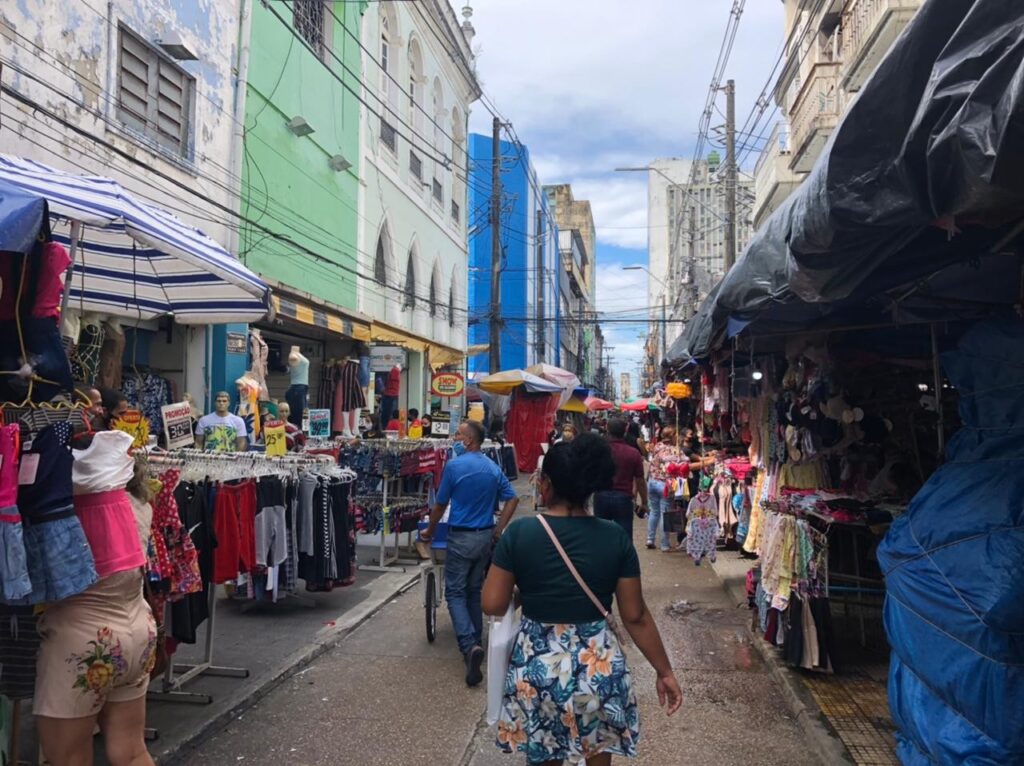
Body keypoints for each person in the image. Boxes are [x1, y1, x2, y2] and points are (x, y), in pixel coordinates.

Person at [483, 433, 682, 765]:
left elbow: (491, 604)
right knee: (597, 754)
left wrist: (523, 591)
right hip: (598, 664)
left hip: (538, 666)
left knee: (545, 753)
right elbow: (635, 615)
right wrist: (665, 672)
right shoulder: (614, 537)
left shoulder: (519, 535)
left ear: (545, 484)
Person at [421, 420, 519, 686]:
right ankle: (476, 640)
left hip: (461, 537)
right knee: (474, 590)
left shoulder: (454, 467)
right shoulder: (492, 467)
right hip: (485, 537)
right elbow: (513, 498)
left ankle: (468, 645)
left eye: (458, 435)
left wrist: (429, 530)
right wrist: (499, 529)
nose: (454, 438)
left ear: (468, 441)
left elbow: (440, 505)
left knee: (454, 591)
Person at [647, 427, 717, 551]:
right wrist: (708, 462)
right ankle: (664, 544)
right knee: (665, 513)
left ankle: (650, 539)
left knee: (654, 511)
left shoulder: (657, 446)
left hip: (652, 482)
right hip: (665, 484)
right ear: (673, 436)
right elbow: (687, 466)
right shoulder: (674, 451)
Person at [594, 418, 648, 537]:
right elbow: (640, 480)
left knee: (600, 535)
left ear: (607, 430)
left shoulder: (598, 450)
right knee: (624, 536)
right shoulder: (633, 453)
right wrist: (644, 501)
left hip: (601, 496)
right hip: (623, 498)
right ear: (625, 431)